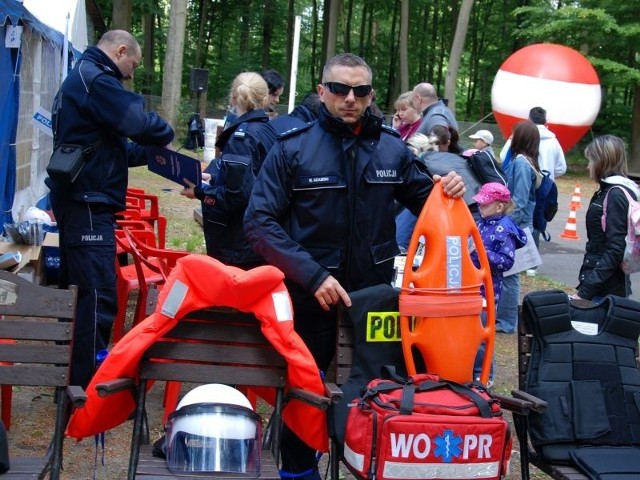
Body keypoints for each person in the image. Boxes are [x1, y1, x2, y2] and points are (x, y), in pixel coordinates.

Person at [244, 53, 465, 480]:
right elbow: (259, 223)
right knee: (303, 392)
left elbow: (429, 201)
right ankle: (298, 471)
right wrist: (311, 275)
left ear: (371, 95)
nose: (350, 98)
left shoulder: (391, 147)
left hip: (373, 299)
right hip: (310, 296)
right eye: (341, 89)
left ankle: (366, 464)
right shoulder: (292, 148)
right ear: (322, 90)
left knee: (374, 391)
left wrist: (450, 188)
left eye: (360, 91)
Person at [45, 30, 174, 388]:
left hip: (80, 197)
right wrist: (166, 133)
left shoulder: (83, 78)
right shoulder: (98, 80)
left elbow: (113, 148)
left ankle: (70, 379)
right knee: (98, 293)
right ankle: (87, 389)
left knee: (78, 291)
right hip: (87, 202)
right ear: (120, 51)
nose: (131, 73)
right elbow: (140, 125)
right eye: (132, 63)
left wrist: (160, 159)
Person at [181, 72, 277, 269]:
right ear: (265, 98)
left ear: (233, 99)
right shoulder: (268, 131)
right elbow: (254, 177)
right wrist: (217, 176)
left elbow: (237, 195)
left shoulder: (242, 137)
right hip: (261, 234)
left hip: (239, 243)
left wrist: (200, 191)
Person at [470, 183, 527, 384]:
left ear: (499, 206)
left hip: (488, 290)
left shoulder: (504, 229)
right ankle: (473, 372)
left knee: (482, 336)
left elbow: (506, 261)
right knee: (471, 333)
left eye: (485, 204)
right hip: (474, 287)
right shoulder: (482, 223)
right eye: (480, 203)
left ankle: (485, 376)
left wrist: (481, 253)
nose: (480, 208)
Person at [575, 135, 640, 301]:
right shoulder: (607, 191)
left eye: (591, 160)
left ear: (601, 162)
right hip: (601, 284)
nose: (588, 166)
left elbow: (615, 249)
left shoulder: (615, 194)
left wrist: (586, 291)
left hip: (605, 290)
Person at [395, 132, 483, 251]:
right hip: (483, 211)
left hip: (458, 216)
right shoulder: (455, 157)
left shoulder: (421, 167)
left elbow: (405, 203)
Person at [496, 121, 541, 333]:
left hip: (517, 226)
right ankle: (504, 318)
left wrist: (506, 226)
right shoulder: (527, 161)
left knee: (510, 275)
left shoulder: (522, 164)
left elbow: (520, 202)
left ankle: (506, 322)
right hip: (518, 224)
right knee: (507, 274)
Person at [500, 107, 566, 180]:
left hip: (523, 181)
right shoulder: (553, 141)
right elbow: (561, 168)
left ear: (529, 119)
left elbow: (503, 156)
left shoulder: (520, 135)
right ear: (545, 121)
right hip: (547, 185)